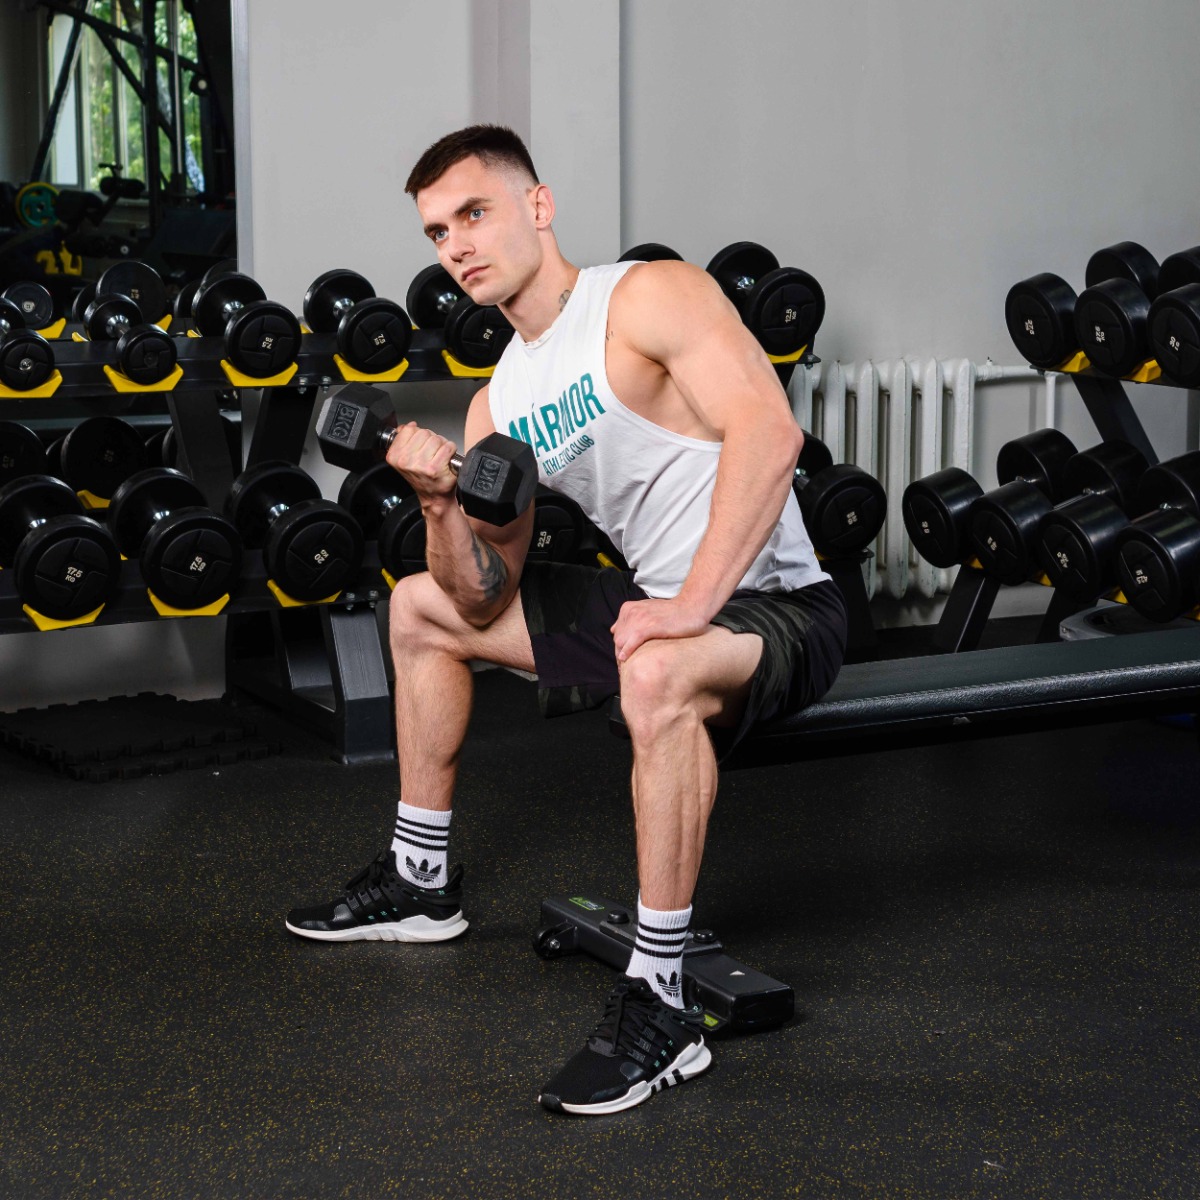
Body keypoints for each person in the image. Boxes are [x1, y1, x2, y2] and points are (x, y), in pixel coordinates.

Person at [286, 124, 848, 1115]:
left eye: (474, 213)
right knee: (418, 605)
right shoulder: (499, 403)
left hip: (776, 607)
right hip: (657, 604)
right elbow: (479, 596)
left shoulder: (650, 297)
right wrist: (436, 504)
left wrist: (690, 605)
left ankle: (661, 1000)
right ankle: (421, 881)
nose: (457, 246)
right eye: (436, 232)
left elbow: (770, 432)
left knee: (658, 670)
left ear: (538, 205)